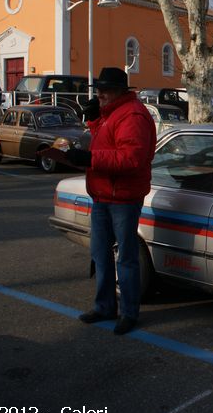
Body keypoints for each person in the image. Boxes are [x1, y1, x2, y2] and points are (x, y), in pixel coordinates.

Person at [65, 67, 157, 335]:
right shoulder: (115, 113)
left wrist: (89, 159)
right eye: (98, 90)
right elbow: (108, 144)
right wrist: (94, 121)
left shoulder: (133, 115)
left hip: (123, 198)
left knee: (126, 257)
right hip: (105, 195)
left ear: (118, 91)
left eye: (104, 91)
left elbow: (131, 158)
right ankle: (105, 306)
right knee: (100, 254)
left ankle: (129, 312)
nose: (99, 95)